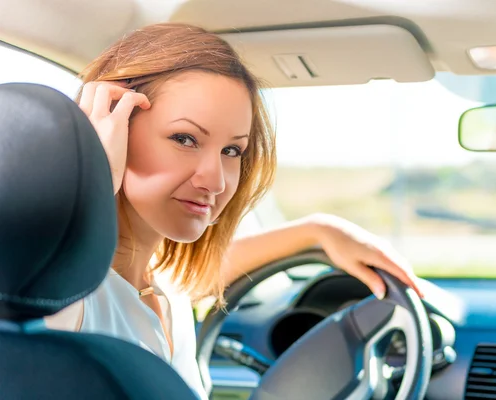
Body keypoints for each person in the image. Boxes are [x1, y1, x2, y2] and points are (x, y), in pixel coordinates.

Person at [44, 22, 420, 397]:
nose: (216, 181)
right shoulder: (60, 298)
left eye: (231, 151)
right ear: (113, 129)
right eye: (185, 138)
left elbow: (201, 274)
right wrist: (90, 172)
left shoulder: (162, 290)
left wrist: (318, 230)